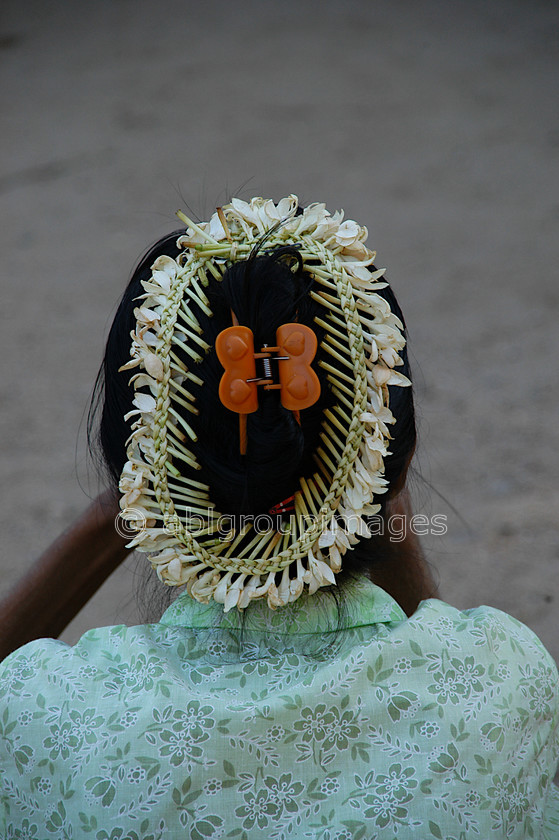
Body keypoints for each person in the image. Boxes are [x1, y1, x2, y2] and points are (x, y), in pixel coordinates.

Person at [1, 196, 557, 839]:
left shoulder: (49, 715)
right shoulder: (502, 686)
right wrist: (368, 499)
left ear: (141, 479)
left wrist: (134, 501)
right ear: (392, 465)